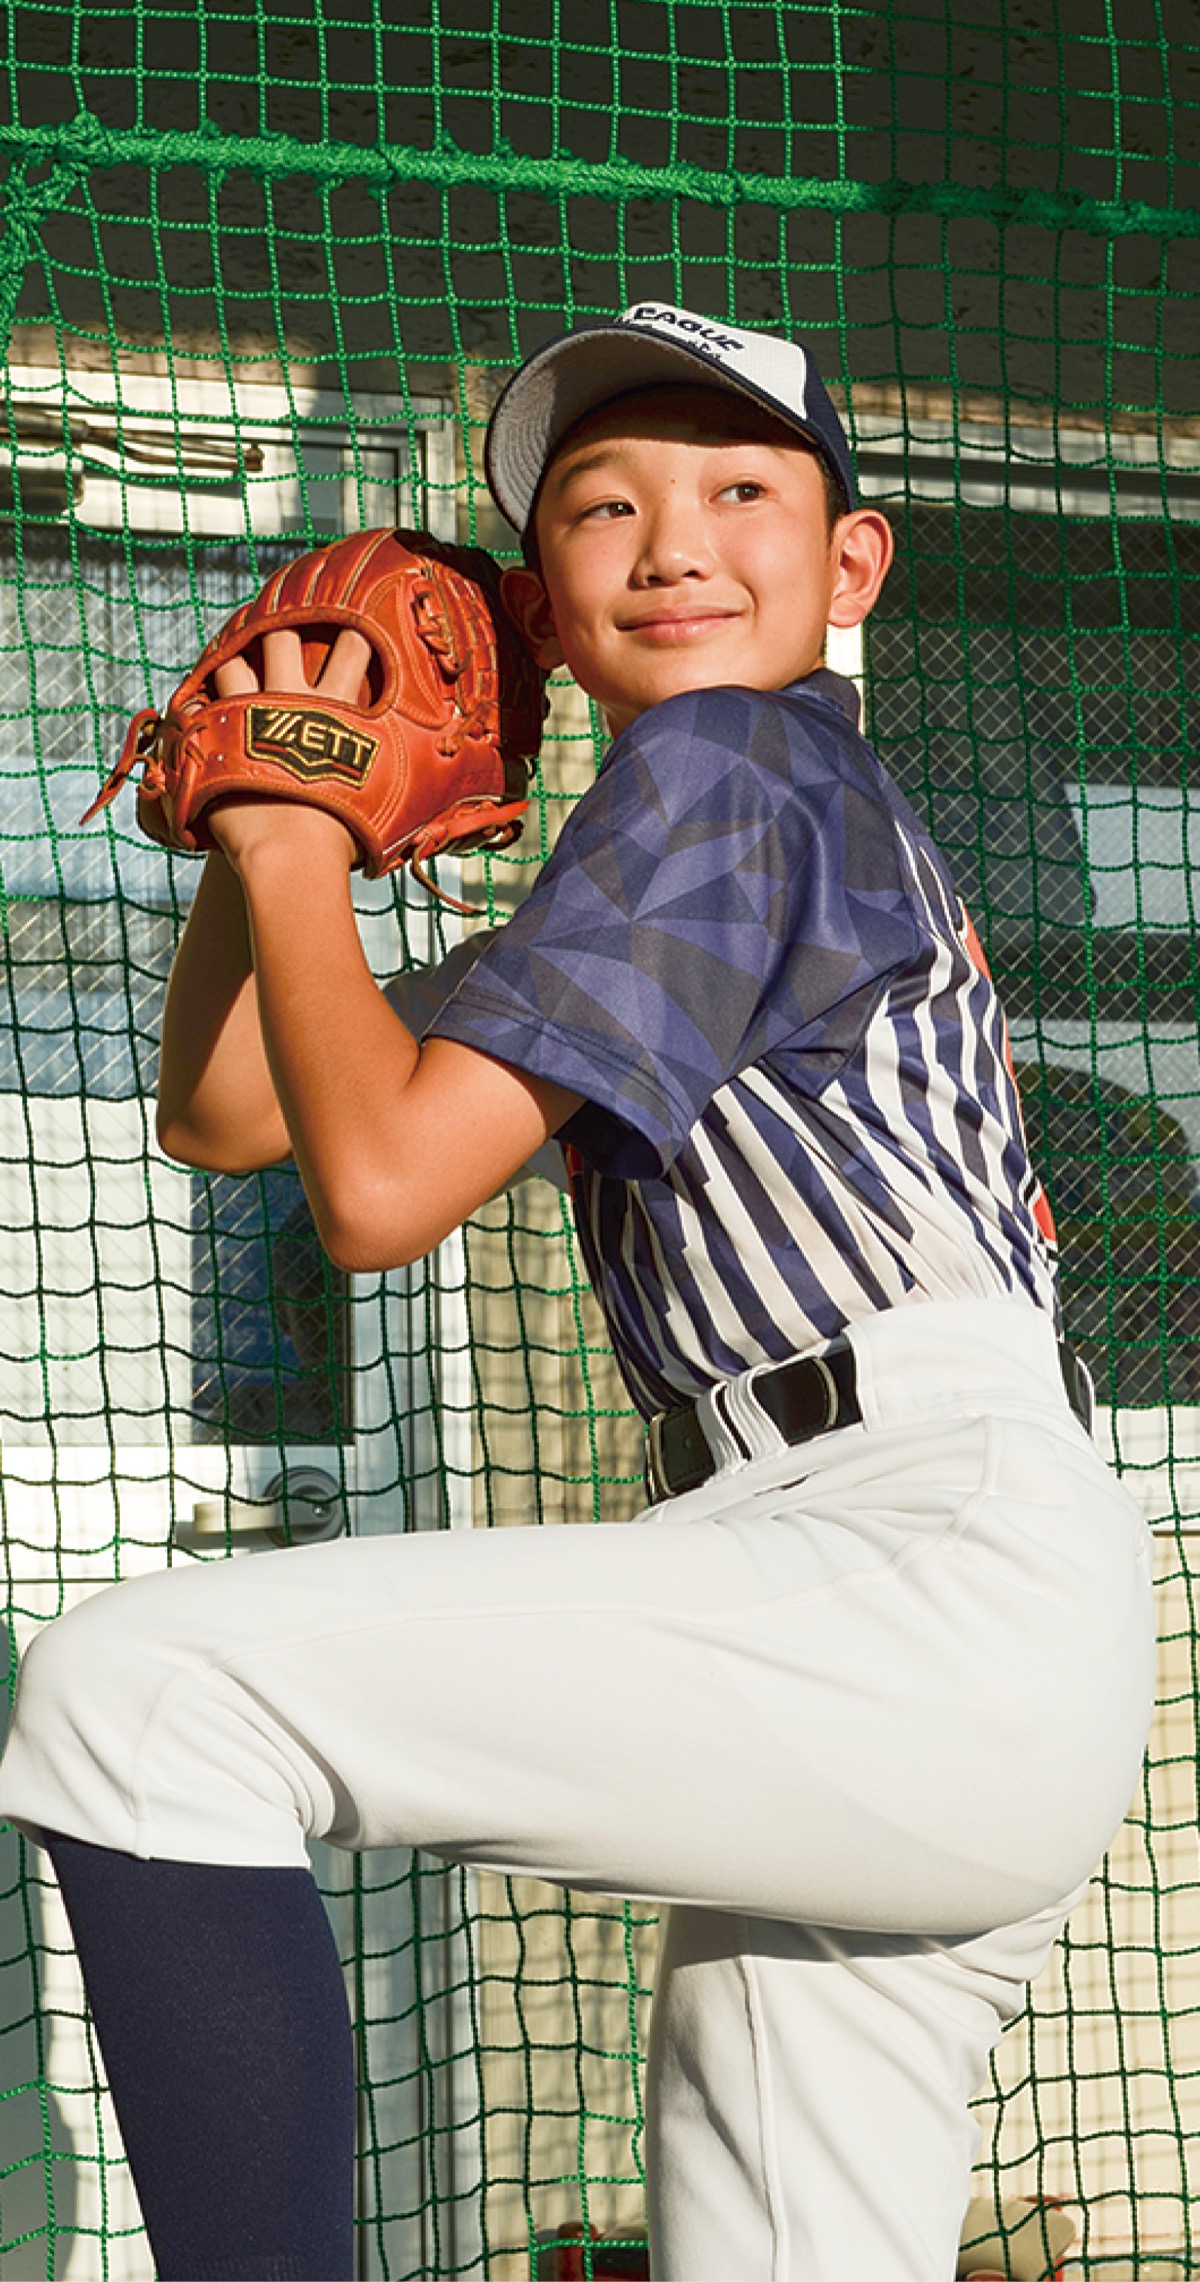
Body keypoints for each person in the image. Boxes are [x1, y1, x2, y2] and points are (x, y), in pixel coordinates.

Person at [0, 302, 1155, 2282]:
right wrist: (257, 842)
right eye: (601, 507)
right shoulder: (701, 845)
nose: (672, 541)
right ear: (542, 595)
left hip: (907, 1559)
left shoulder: (723, 768)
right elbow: (231, 1109)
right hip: (933, 1600)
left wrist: (289, 812)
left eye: (737, 488)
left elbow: (373, 1198)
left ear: (850, 560)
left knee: (145, 1693)